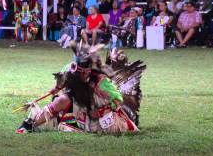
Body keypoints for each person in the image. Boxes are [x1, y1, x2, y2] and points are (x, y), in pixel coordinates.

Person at [15, 44, 146, 134]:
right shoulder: (69, 71)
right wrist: (56, 88)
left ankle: (70, 120)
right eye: (80, 72)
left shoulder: (101, 81)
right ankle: (31, 124)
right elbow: (61, 82)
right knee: (60, 100)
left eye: (86, 72)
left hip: (99, 112)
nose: (84, 75)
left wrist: (102, 111)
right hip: (81, 104)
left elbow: (118, 99)